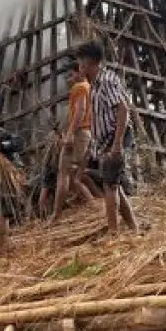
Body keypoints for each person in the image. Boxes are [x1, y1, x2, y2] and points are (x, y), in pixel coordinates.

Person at [76, 41, 138, 235]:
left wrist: (117, 144)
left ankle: (113, 233)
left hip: (115, 137)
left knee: (109, 185)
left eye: (82, 64)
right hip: (106, 141)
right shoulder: (93, 85)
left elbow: (122, 109)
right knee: (114, 185)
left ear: (93, 63)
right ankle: (134, 228)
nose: (80, 68)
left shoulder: (107, 81)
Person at [50, 62, 98, 222]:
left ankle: (56, 215)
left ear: (80, 72)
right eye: (67, 76)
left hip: (78, 133)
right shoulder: (90, 87)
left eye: (71, 74)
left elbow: (81, 110)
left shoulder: (79, 88)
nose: (69, 79)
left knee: (63, 175)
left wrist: (70, 134)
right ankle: (94, 205)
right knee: (76, 176)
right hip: (87, 133)